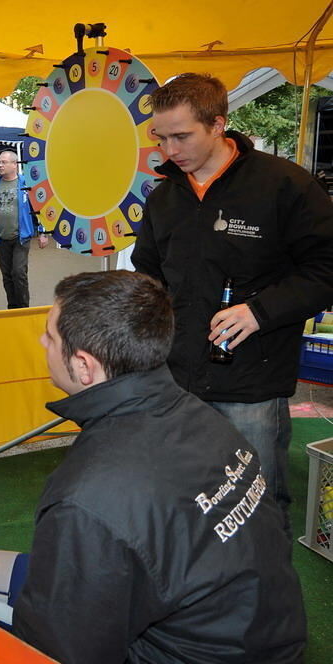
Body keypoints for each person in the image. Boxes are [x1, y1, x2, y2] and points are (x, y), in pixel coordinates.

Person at [0, 271, 307, 663]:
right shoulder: (201, 416)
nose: (42, 342)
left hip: (181, 649)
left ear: (83, 366)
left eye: (50, 336)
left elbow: (66, 649)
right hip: (266, 635)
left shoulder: (87, 496)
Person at [132, 73, 333, 535]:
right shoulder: (164, 198)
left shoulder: (283, 185)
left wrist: (259, 312)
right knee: (188, 499)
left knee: (256, 504)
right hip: (177, 378)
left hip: (252, 382)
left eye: (181, 136)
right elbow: (149, 278)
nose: (169, 150)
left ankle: (264, 599)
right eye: (160, 137)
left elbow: (326, 268)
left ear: (219, 123)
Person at [0, 150, 47, 307]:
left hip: (21, 236)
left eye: (4, 162)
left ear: (15, 164)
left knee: (18, 273)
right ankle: (12, 308)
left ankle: (23, 308)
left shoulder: (26, 185)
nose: (0, 165)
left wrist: (43, 232)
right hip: (0, 237)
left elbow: (39, 209)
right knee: (7, 275)